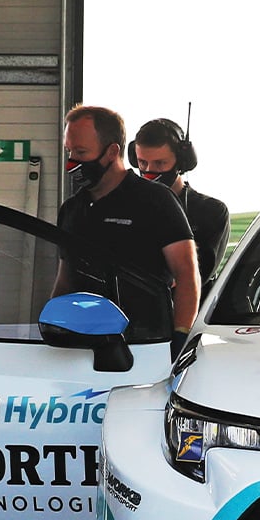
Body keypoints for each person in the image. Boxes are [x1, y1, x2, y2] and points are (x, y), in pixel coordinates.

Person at [49, 105, 200, 354]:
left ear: (112, 152)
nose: (72, 162)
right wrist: (52, 326)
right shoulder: (72, 209)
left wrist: (180, 337)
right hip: (78, 348)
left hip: (144, 348)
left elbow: (186, 274)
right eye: (69, 151)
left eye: (81, 152)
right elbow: (65, 278)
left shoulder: (156, 200)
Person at [130, 117, 231, 285]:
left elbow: (195, 276)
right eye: (142, 163)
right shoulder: (126, 206)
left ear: (181, 162)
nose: (149, 171)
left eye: (160, 163)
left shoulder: (211, 212)